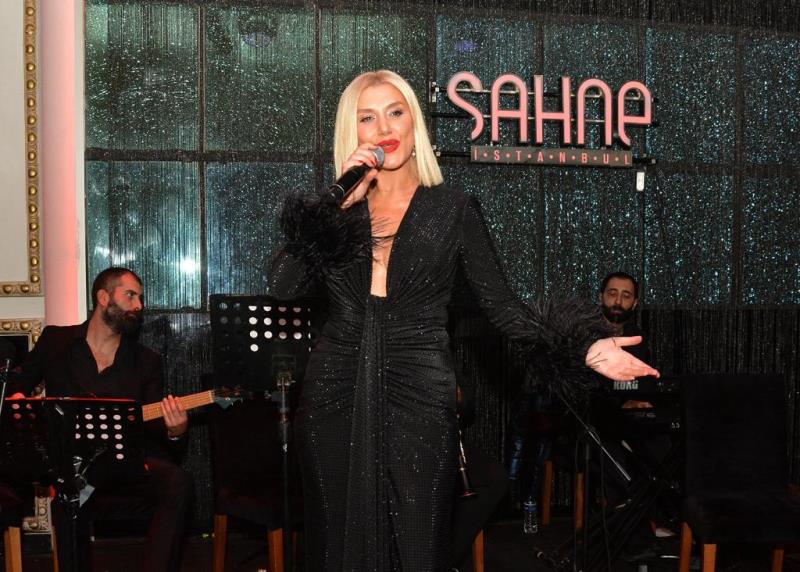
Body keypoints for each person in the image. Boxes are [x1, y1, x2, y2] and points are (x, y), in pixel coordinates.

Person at [270, 70, 659, 571]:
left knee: (419, 546)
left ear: (414, 125)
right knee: (333, 547)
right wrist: (331, 206)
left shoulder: (452, 209)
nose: (383, 127)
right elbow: (283, 285)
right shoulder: (337, 214)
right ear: (353, 131)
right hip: (334, 393)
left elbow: (503, 306)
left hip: (419, 393)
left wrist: (585, 346)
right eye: (367, 117)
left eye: (395, 112)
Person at [8, 267, 191, 572]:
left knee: (178, 482)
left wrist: (176, 431)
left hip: (126, 466)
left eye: (140, 298)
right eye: (130, 295)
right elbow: (18, 387)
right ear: (104, 297)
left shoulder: (146, 361)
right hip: (73, 466)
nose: (139, 305)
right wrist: (18, 402)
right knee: (68, 491)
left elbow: (155, 434)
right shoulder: (56, 341)